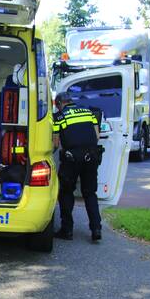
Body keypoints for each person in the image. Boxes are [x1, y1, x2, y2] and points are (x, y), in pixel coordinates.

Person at [52, 90, 103, 242]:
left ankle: (67, 230)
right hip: (91, 156)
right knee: (90, 193)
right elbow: (97, 135)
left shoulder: (59, 117)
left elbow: (55, 143)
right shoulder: (88, 112)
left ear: (59, 104)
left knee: (66, 192)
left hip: (71, 158)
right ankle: (96, 229)